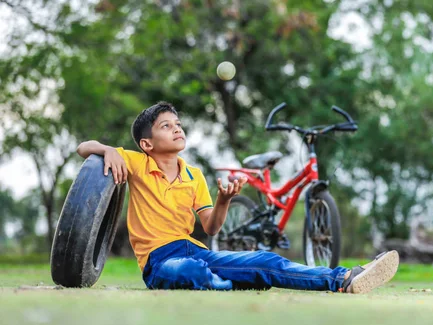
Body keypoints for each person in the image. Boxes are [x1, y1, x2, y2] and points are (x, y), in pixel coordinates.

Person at [76, 101, 399, 293]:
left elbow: (212, 228)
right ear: (147, 144)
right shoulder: (137, 162)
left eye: (178, 124)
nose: (176, 129)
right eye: (165, 126)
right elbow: (83, 147)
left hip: (197, 250)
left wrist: (224, 201)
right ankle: (231, 284)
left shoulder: (194, 175)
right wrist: (107, 150)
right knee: (187, 272)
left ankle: (343, 278)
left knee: (266, 260)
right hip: (161, 260)